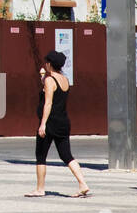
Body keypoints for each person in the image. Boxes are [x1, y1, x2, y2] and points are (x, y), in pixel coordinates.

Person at [26, 50, 91, 197]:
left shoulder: (50, 80)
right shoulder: (64, 79)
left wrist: (43, 124)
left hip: (50, 123)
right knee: (66, 155)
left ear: (49, 64)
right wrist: (43, 76)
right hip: (63, 122)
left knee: (41, 156)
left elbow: (48, 103)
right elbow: (51, 88)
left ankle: (40, 188)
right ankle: (83, 183)